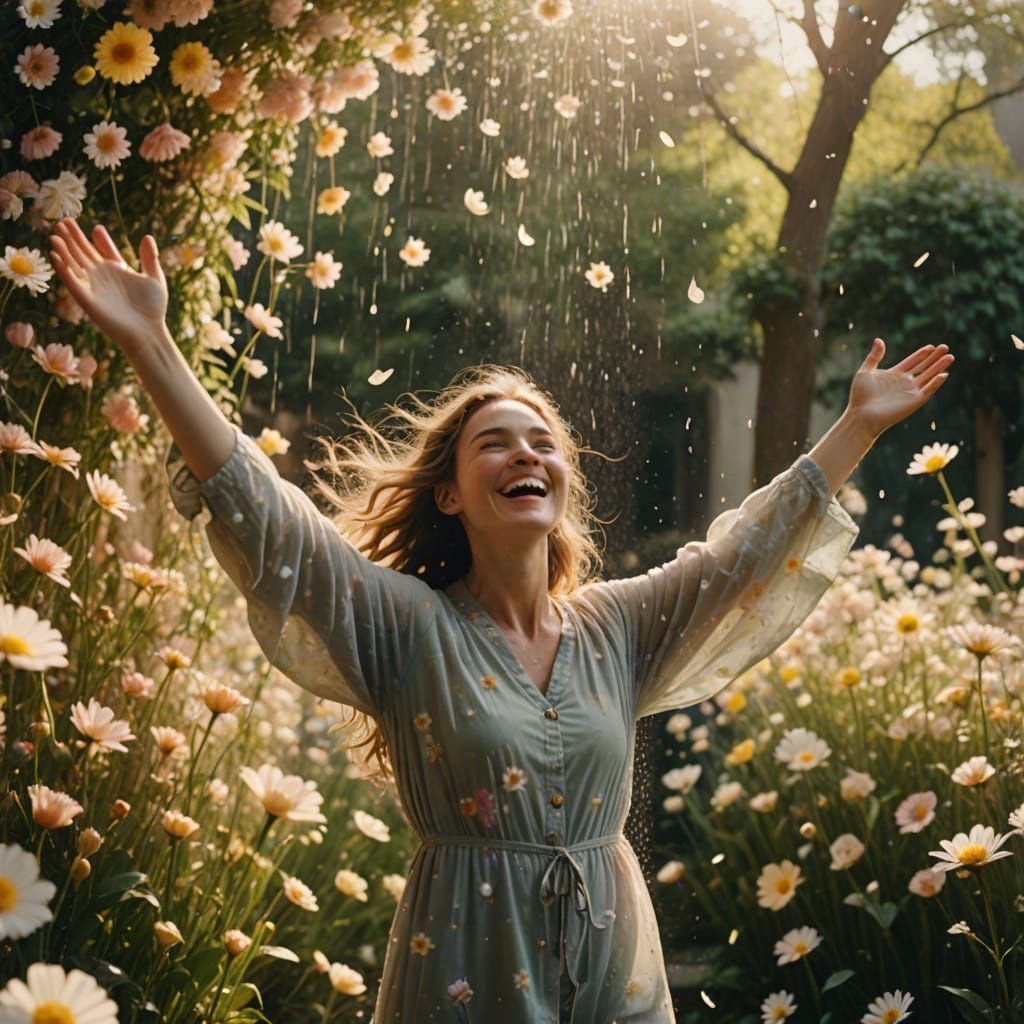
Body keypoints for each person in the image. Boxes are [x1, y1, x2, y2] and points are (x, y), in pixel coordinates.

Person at [48, 218, 953, 1023]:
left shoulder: (620, 627)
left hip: (614, 980)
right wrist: (153, 346)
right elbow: (273, 521)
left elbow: (739, 561)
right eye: (495, 442)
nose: (526, 452)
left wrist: (855, 433)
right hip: (466, 975)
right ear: (449, 491)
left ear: (561, 481)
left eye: (542, 442)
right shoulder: (405, 626)